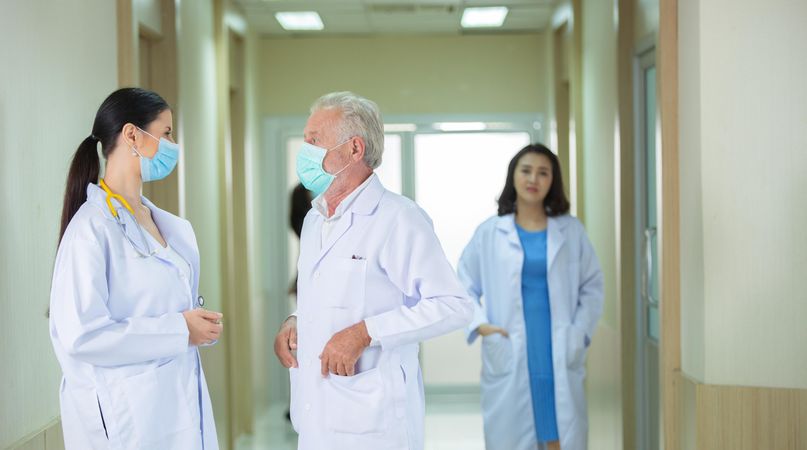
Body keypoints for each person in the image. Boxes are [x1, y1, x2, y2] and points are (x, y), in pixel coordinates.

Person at [273, 91, 473, 450]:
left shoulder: (398, 218)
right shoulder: (315, 220)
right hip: (316, 415)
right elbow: (325, 296)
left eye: (314, 140)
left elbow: (453, 305)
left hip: (374, 422)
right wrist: (295, 319)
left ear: (354, 149)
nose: (305, 151)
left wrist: (366, 332)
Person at [49, 87, 222, 449]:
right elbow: (82, 335)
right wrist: (179, 329)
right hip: (127, 419)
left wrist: (192, 327)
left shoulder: (166, 225)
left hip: (175, 406)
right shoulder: (90, 231)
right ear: (132, 135)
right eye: (167, 133)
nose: (173, 144)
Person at [458, 143, 603, 450]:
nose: (533, 179)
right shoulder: (490, 232)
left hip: (558, 347)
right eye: (526, 171)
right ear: (513, 176)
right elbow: (462, 284)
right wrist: (481, 325)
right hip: (511, 344)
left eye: (543, 172)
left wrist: (579, 331)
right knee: (513, 437)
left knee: (559, 436)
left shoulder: (571, 231)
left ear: (553, 181)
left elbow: (592, 286)